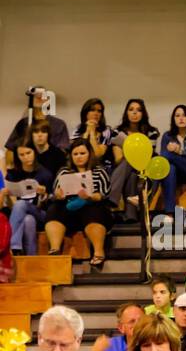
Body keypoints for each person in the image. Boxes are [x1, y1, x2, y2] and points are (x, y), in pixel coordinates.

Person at [45, 138, 111, 267]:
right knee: (54, 209)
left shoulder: (99, 171)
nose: (79, 157)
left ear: (89, 154)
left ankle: (98, 252)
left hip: (91, 206)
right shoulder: (64, 171)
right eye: (75, 154)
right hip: (69, 208)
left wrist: (89, 196)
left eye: (82, 153)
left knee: (95, 210)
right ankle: (54, 249)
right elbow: (55, 193)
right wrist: (59, 195)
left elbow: (104, 194)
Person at [3, 141, 54, 254]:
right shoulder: (13, 174)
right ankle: (28, 256)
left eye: (28, 153)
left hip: (41, 213)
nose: (26, 157)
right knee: (28, 220)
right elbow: (12, 206)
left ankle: (9, 244)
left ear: (34, 152)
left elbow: (51, 203)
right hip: (20, 215)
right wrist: (6, 194)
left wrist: (43, 194)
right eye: (22, 155)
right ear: (17, 156)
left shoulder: (45, 174)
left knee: (21, 204)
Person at [156, 105, 186, 218]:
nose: (181, 118)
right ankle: (170, 214)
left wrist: (180, 151)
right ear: (173, 119)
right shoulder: (167, 136)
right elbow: (165, 163)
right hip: (175, 175)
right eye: (177, 116)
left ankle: (149, 190)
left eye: (184, 115)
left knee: (167, 155)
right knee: (170, 167)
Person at [4, 86, 70, 170]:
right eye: (36, 95)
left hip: (50, 168)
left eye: (42, 95)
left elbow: (63, 152)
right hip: (25, 171)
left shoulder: (58, 124)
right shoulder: (23, 124)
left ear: (48, 101)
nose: (39, 97)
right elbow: (10, 149)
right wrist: (10, 168)